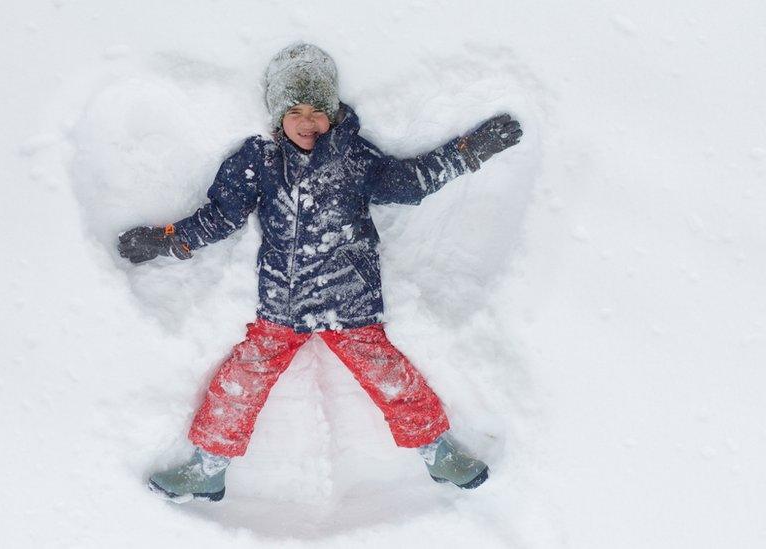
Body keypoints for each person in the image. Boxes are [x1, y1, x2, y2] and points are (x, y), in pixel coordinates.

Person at [119, 43, 522, 503]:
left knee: (393, 380)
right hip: (281, 308)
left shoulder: (353, 158)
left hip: (349, 302)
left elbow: (412, 181)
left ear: (332, 113)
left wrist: (471, 151)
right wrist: (168, 239)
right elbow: (221, 216)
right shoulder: (258, 161)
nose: (307, 121)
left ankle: (439, 453)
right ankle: (208, 467)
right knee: (239, 383)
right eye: (295, 110)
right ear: (277, 116)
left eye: (317, 110)